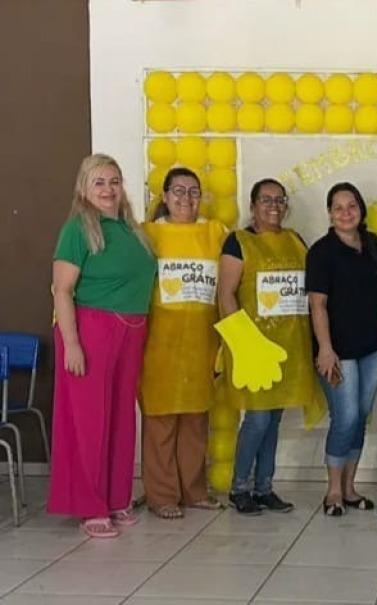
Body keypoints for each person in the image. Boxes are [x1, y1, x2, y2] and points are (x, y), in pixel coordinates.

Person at [49, 153, 157, 538]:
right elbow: (62, 290)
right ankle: (89, 505)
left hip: (132, 329)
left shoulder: (131, 229)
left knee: (121, 417)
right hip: (91, 329)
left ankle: (115, 497)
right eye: (99, 182)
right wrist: (72, 343)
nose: (108, 189)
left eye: (114, 181)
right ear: (84, 187)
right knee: (89, 419)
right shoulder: (78, 228)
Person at [218, 178, 322, 515]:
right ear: (252, 206)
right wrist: (243, 344)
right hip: (253, 347)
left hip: (289, 346)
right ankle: (239, 487)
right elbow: (226, 294)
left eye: (280, 200)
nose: (274, 206)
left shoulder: (295, 241)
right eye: (266, 199)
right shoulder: (238, 242)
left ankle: (264, 487)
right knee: (258, 420)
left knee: (274, 420)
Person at [140, 167, 228, 519]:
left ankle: (194, 491)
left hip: (201, 340)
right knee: (160, 419)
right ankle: (161, 495)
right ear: (164, 196)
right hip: (159, 340)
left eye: (194, 191)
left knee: (195, 419)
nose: (186, 198)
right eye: (178, 190)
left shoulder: (215, 233)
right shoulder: (147, 235)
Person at [307, 182, 377, 517]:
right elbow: (318, 305)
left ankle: (351, 488)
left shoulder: (372, 244)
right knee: (346, 417)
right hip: (338, 351)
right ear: (329, 214)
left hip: (371, 347)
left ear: (361, 209)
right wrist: (325, 348)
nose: (345, 213)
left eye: (351, 205)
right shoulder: (321, 251)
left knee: (360, 418)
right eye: (337, 207)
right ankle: (333, 491)